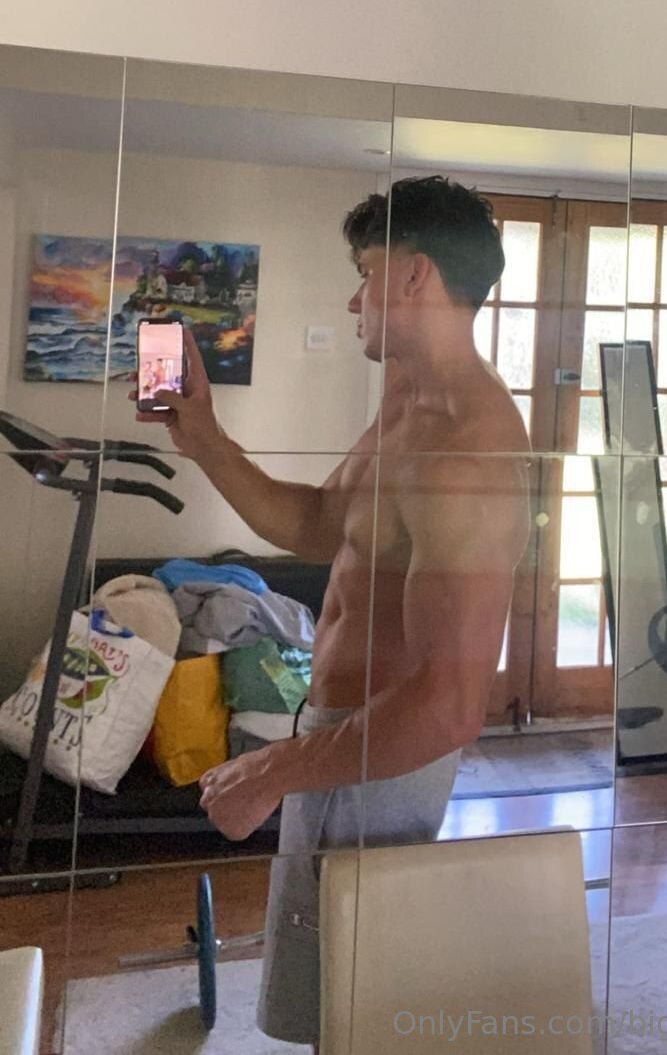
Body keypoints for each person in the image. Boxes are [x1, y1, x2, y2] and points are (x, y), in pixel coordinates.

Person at [136, 175, 532, 1046]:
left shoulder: (467, 450)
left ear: (415, 275)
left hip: (383, 750)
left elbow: (450, 705)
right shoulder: (407, 403)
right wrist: (205, 440)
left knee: (361, 1003)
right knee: (327, 998)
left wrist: (274, 770)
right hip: (340, 736)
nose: (355, 300)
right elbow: (322, 525)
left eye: (366, 272)